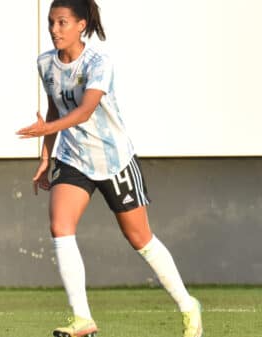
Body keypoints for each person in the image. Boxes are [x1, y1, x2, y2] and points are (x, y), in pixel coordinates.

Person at [16, 1, 203, 337]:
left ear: (81, 25)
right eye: (51, 22)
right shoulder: (45, 64)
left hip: (113, 159)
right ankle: (83, 319)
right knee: (60, 226)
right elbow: (56, 111)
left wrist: (46, 131)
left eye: (62, 23)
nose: (54, 30)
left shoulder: (99, 62)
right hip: (74, 159)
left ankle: (189, 306)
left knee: (140, 238)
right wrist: (46, 157)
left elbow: (86, 110)